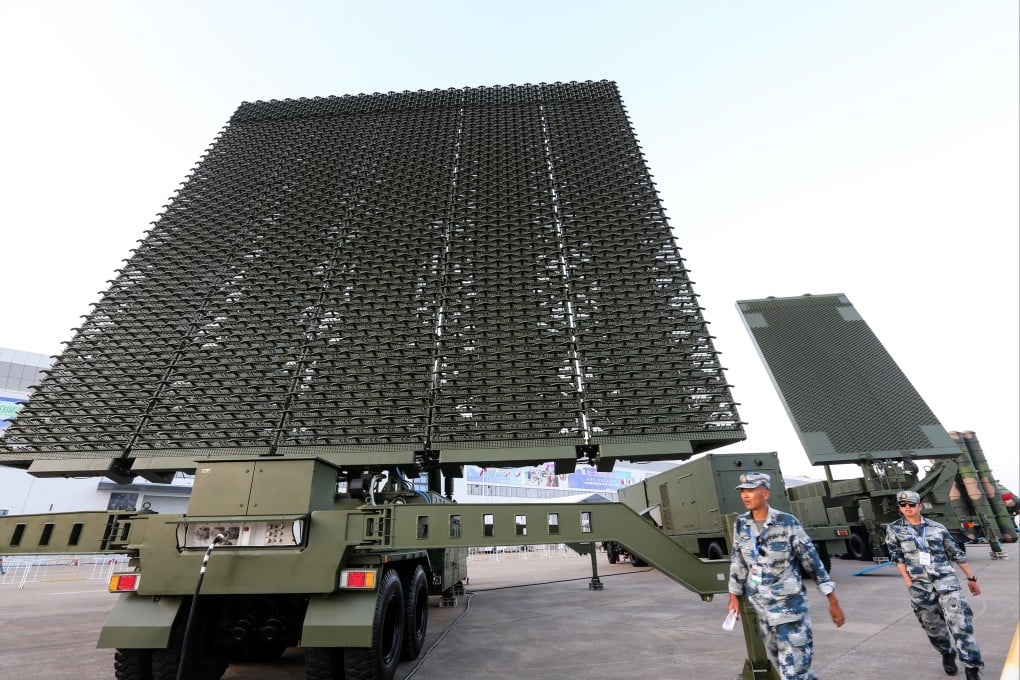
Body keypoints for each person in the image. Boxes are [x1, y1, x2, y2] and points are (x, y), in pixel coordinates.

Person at [727, 472, 845, 679]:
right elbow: (738, 561)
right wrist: (733, 597)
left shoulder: (787, 522)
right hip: (762, 610)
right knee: (789, 670)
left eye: (751, 490)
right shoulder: (741, 523)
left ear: (765, 493)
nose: (745, 495)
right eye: (743, 491)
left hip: (790, 609)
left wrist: (832, 599)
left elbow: (812, 561)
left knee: (794, 672)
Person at [885, 489, 985, 679]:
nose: (907, 508)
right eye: (902, 505)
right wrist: (907, 580)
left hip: (947, 582)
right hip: (919, 586)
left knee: (961, 624)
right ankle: (947, 652)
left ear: (919, 506)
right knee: (932, 627)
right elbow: (897, 556)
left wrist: (971, 579)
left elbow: (956, 554)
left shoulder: (937, 528)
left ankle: (972, 668)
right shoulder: (894, 529)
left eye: (911, 505)